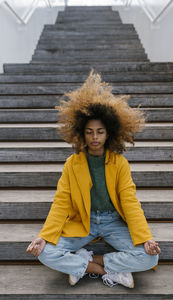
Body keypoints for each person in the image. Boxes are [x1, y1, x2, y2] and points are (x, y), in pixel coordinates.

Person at [26, 70, 160, 288]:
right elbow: (62, 202)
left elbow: (130, 202)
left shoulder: (119, 164)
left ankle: (83, 263)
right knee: (44, 252)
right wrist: (44, 236)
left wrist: (146, 238)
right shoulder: (72, 163)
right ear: (81, 133)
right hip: (83, 223)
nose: (95, 137)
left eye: (100, 132)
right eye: (89, 132)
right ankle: (106, 270)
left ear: (109, 134)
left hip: (113, 222)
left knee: (150, 257)